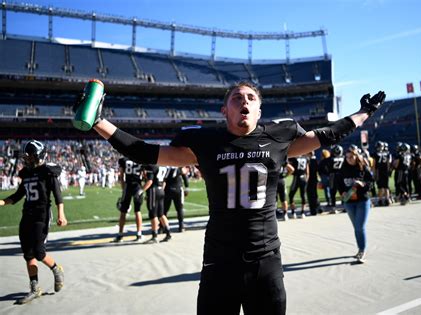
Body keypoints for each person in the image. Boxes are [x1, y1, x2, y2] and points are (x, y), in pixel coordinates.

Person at [77, 81, 385, 314]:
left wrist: (363, 113)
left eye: (251, 98)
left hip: (265, 261)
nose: (244, 102)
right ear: (225, 110)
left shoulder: (278, 139)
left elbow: (327, 134)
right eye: (236, 99)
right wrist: (99, 122)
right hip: (220, 262)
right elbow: (144, 152)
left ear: (260, 111)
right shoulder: (206, 141)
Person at [0, 140, 67, 304]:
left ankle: (56, 269)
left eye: (30, 156)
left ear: (39, 155)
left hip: (41, 215)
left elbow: (58, 195)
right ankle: (34, 288)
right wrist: (1, 202)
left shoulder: (48, 172)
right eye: (27, 157)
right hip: (27, 215)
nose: (27, 159)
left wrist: (61, 214)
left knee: (39, 252)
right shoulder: (27, 174)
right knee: (28, 254)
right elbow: (17, 196)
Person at [336, 145, 374, 263]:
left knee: (359, 227)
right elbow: (339, 184)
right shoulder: (343, 169)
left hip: (363, 201)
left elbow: (371, 184)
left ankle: (362, 251)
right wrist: (342, 193)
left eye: (351, 157)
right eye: (347, 157)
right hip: (349, 202)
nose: (349, 159)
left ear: (356, 156)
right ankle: (359, 249)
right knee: (356, 228)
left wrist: (362, 185)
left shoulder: (363, 168)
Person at [114, 156, 144, 242]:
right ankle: (139, 233)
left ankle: (120, 234)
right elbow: (144, 174)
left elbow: (121, 174)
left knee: (123, 211)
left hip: (128, 185)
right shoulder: (141, 159)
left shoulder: (124, 160)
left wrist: (123, 188)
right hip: (137, 186)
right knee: (137, 210)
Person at [142, 164, 172, 242]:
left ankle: (154, 236)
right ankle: (168, 233)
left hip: (154, 190)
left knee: (153, 214)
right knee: (161, 214)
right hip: (161, 189)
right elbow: (164, 181)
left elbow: (150, 181)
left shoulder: (151, 166)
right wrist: (161, 190)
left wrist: (141, 191)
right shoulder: (163, 166)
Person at [164, 166, 189, 232]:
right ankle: (181, 226)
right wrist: (187, 188)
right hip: (178, 189)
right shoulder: (179, 167)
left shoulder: (166, 167)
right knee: (179, 209)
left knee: (165, 209)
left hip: (168, 189)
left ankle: (163, 226)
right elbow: (185, 177)